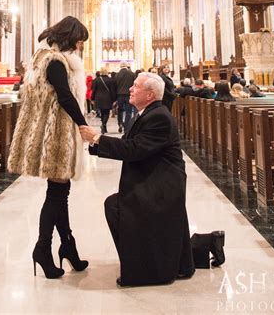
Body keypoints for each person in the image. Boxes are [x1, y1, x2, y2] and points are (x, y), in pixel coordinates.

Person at [80, 73, 195, 287]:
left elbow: (134, 149)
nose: (130, 89)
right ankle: (143, 262)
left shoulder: (158, 116)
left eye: (136, 86)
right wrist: (96, 145)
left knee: (116, 207)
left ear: (150, 94)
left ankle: (145, 269)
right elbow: (128, 144)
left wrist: (97, 137)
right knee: (115, 204)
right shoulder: (147, 113)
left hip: (162, 187)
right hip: (155, 179)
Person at [7, 16, 89, 280]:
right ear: (70, 37)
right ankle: (42, 249)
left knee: (60, 191)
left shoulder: (43, 56)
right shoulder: (54, 61)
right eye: (79, 40)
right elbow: (64, 96)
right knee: (57, 193)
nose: (80, 45)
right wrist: (83, 124)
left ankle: (68, 247)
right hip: (55, 135)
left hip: (54, 132)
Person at [91, 68, 116, 134]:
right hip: (107, 98)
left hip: (98, 98)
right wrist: (114, 100)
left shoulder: (96, 80)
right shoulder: (110, 80)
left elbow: (94, 90)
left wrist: (92, 98)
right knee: (107, 113)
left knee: (102, 112)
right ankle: (104, 125)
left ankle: (104, 127)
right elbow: (112, 91)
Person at [115, 62, 135, 133]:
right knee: (128, 111)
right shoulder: (132, 74)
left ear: (120, 66)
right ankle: (126, 126)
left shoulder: (117, 75)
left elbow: (115, 86)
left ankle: (120, 124)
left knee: (120, 110)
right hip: (128, 95)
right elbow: (134, 85)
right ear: (127, 66)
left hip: (119, 95)